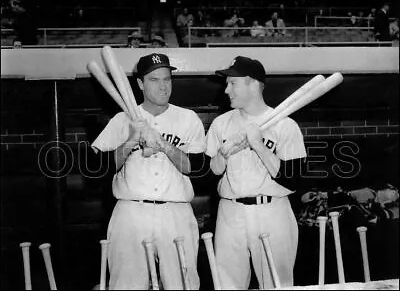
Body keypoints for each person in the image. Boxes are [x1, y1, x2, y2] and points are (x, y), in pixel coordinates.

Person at [91, 53, 207, 289]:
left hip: (175, 212)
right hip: (131, 212)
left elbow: (198, 168)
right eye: (154, 80)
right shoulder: (122, 120)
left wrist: (163, 144)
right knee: (126, 284)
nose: (163, 86)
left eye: (167, 79)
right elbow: (96, 168)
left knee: (183, 283)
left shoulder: (188, 118)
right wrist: (132, 140)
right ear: (141, 84)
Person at [205, 56, 307, 289]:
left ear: (253, 84)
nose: (226, 90)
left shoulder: (285, 125)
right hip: (230, 211)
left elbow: (294, 180)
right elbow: (208, 175)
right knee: (227, 284)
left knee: (277, 283)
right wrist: (222, 155)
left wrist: (259, 145)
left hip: (272, 212)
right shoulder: (221, 124)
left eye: (233, 83)